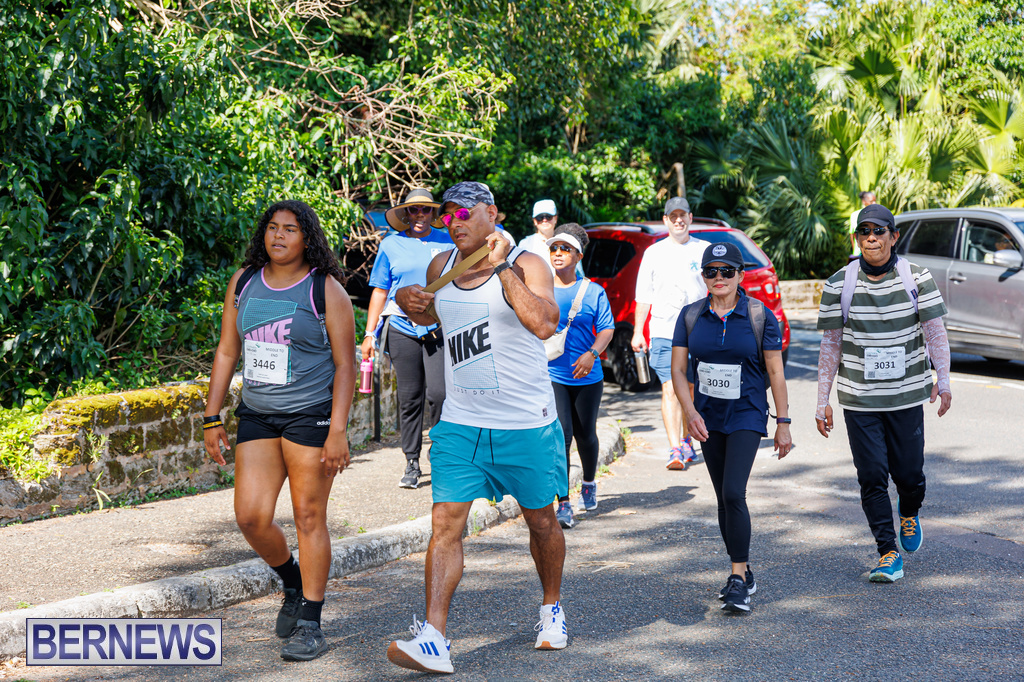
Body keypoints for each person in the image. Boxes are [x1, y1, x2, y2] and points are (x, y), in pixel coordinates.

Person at [387, 181, 569, 674]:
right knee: (445, 525)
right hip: (462, 422)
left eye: (464, 213)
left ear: (493, 213)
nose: (454, 222)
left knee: (541, 522)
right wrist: (407, 299)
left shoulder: (528, 262)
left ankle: (551, 607)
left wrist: (502, 267)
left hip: (524, 423)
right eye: (447, 215)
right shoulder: (440, 266)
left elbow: (544, 324)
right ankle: (433, 638)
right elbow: (431, 318)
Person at [203, 200, 356, 661]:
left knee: (308, 516)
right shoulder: (244, 281)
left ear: (307, 238)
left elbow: (345, 365)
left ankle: (311, 622)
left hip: (310, 415)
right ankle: (292, 581)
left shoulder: (325, 289)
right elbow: (227, 350)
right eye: (272, 227)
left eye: (290, 229)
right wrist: (212, 416)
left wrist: (338, 430)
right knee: (250, 516)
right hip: (258, 412)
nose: (279, 236)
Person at [816, 203, 952, 583]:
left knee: (910, 476)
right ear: (856, 238)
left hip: (906, 396)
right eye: (864, 231)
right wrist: (822, 400)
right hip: (859, 399)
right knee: (872, 475)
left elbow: (935, 333)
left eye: (879, 231)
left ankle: (909, 511)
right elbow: (831, 346)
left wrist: (943, 379)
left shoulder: (917, 278)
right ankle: (888, 553)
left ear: (894, 236)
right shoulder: (839, 284)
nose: (871, 238)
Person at [671, 242, 791, 614]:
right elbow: (678, 370)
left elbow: (776, 372)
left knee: (734, 492)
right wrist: (690, 412)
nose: (719, 277)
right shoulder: (691, 316)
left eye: (726, 271)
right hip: (707, 418)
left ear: (740, 275)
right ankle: (743, 569)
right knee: (723, 497)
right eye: (711, 271)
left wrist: (783, 422)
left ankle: (738, 579)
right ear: (703, 276)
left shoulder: (759, 315)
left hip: (746, 414)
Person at [362, 189, 454, 489]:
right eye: (414, 210)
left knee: (439, 394)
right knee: (410, 397)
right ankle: (411, 461)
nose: (420, 215)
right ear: (405, 214)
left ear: (433, 213)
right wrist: (369, 333)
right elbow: (380, 290)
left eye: (426, 210)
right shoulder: (391, 244)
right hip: (402, 327)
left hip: (438, 328)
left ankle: (439, 452)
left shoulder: (448, 242)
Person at [631, 196, 709, 469]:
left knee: (692, 388)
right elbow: (643, 296)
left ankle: (687, 439)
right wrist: (638, 332)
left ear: (690, 218)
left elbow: (717, 289)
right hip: (664, 330)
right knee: (670, 388)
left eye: (682, 215)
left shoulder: (704, 250)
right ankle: (675, 448)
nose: (678, 220)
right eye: (673, 216)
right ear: (665, 220)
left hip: (698, 331)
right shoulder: (654, 252)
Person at [546, 223, 615, 530]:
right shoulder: (541, 288)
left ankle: (588, 482)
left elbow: (607, 329)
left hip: (588, 376)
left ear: (578, 256)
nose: (558, 253)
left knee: (586, 435)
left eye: (565, 249)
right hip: (553, 373)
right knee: (561, 435)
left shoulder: (593, 291)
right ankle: (563, 502)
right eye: (554, 248)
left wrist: (592, 353)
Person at [849, 191, 876, 258]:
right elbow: (852, 234)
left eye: (875, 201)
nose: (874, 203)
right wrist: (855, 251)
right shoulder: (855, 215)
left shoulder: (877, 215)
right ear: (864, 201)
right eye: (871, 201)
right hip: (858, 253)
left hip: (872, 251)